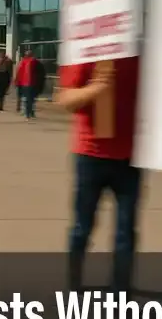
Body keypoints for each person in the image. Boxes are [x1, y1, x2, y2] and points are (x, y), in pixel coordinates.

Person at [57, 57, 142, 292]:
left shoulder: (139, 53)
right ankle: (73, 287)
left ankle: (121, 294)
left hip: (130, 157)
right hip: (90, 155)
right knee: (82, 228)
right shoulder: (85, 51)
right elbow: (66, 99)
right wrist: (96, 88)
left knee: (126, 234)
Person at [15, 49, 44, 120]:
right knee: (31, 99)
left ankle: (28, 113)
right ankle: (30, 113)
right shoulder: (35, 62)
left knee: (27, 99)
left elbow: (19, 73)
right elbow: (41, 73)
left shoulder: (23, 62)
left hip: (25, 83)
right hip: (32, 83)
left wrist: (17, 82)